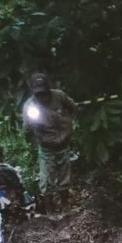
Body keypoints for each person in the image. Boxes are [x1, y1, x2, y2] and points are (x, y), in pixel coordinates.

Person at [22, 73, 77, 213]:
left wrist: (67, 123)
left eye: (44, 93)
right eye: (39, 94)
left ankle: (65, 206)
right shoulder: (30, 106)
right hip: (46, 147)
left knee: (65, 177)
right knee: (46, 180)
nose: (42, 97)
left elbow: (72, 107)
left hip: (63, 143)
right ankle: (50, 211)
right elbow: (27, 128)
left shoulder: (59, 96)